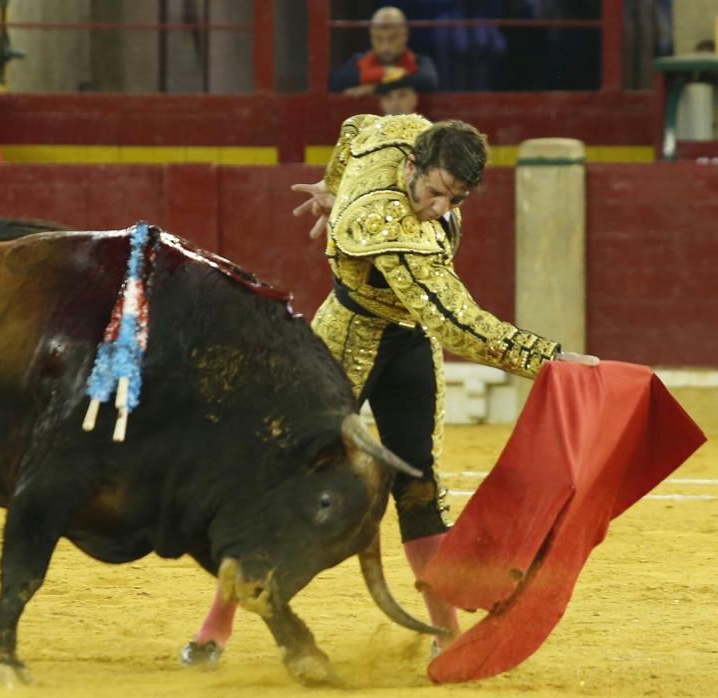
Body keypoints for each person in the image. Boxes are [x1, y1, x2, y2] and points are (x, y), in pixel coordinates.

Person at [181, 113, 597, 668]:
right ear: (411, 165)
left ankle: (444, 632)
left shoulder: (403, 132)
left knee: (420, 485)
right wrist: (548, 357)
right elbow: (458, 323)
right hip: (346, 336)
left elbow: (355, 125)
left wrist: (332, 185)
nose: (439, 210)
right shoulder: (385, 223)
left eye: (455, 199)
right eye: (434, 192)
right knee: (287, 476)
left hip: (410, 347)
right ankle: (216, 628)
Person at [329, 6, 437, 97]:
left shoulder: (420, 61)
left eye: (392, 38)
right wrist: (384, 72)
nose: (385, 46)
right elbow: (336, 81)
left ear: (405, 35)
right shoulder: (359, 61)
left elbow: (428, 82)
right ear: (371, 37)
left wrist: (376, 88)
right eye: (378, 39)